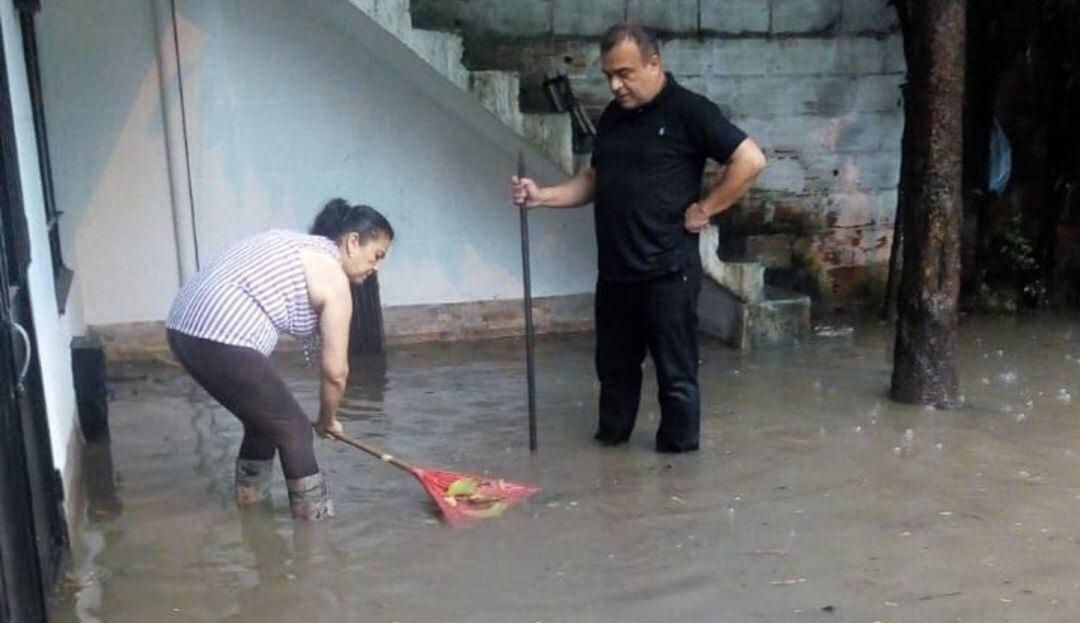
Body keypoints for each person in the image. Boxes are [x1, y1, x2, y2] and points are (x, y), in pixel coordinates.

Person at [512, 22, 767, 453]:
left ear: (654, 64)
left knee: (676, 378)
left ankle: (677, 471)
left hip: (668, 274)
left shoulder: (690, 111)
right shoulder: (614, 117)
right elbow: (597, 178)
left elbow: (751, 160)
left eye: (624, 73)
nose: (615, 85)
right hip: (615, 274)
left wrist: (707, 208)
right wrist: (543, 196)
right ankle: (610, 459)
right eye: (609, 75)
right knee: (614, 375)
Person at [166, 199, 393, 519]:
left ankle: (251, 512)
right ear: (353, 242)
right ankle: (315, 531)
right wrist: (327, 419)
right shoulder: (333, 277)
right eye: (377, 255)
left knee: (264, 424)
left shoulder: (301, 246)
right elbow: (336, 373)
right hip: (220, 333)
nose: (376, 268)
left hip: (182, 328)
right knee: (295, 431)